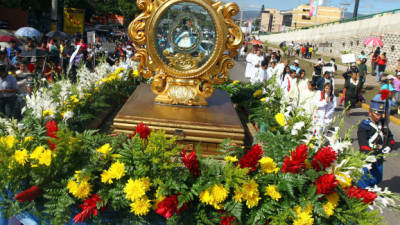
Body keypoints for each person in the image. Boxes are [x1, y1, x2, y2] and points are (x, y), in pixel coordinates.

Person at [357, 99, 395, 188]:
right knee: (364, 180)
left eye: (380, 114)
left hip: (379, 157)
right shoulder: (364, 125)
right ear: (370, 113)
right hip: (367, 157)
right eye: (377, 114)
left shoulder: (383, 125)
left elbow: (390, 137)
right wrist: (370, 155)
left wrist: (389, 146)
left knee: (377, 179)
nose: (379, 116)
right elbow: (363, 144)